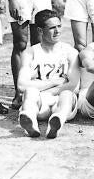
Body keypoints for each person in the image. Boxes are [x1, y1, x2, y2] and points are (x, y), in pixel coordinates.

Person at [17, 9, 80, 139]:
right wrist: (55, 82)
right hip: (39, 103)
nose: (57, 31)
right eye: (52, 28)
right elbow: (22, 86)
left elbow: (74, 85)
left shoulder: (70, 52)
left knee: (67, 94)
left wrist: (42, 88)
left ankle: (56, 122)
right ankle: (30, 122)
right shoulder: (30, 52)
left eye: (59, 26)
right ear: (40, 30)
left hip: (62, 103)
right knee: (30, 92)